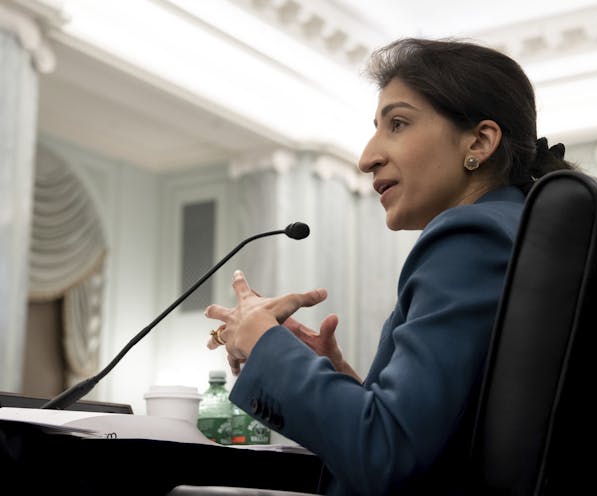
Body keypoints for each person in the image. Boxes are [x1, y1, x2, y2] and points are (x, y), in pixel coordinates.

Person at [204, 37, 576, 495]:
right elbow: (450, 441)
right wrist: (337, 381)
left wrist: (261, 343)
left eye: (397, 123)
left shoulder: (470, 237)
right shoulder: (518, 230)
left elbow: (386, 455)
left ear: (479, 141)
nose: (366, 158)